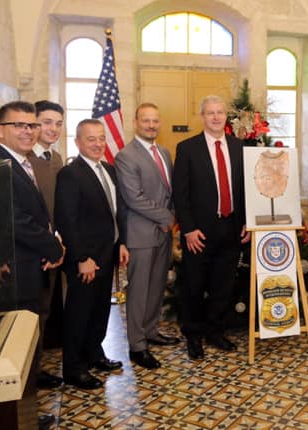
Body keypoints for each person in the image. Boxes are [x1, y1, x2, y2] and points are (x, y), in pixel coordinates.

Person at [0, 101, 65, 428]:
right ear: (0, 129)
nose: (28, 131)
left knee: (29, 342)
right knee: (16, 348)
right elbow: (15, 222)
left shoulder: (20, 162)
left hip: (31, 264)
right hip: (15, 271)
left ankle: (26, 412)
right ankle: (21, 418)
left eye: (32, 125)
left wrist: (49, 244)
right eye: (19, 125)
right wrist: (54, 246)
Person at [172, 95, 250, 360]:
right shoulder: (187, 148)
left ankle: (216, 332)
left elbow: (245, 189)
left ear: (226, 117)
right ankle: (193, 335)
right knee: (194, 285)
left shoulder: (239, 147)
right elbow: (180, 193)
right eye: (210, 113)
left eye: (220, 112)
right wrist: (188, 229)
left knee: (223, 285)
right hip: (199, 232)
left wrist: (247, 222)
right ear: (202, 116)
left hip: (232, 228)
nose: (216, 117)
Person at [55, 119, 129, 390]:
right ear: (77, 142)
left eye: (101, 138)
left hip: (107, 253)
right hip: (86, 259)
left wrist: (121, 242)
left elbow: (115, 211)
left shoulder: (108, 169)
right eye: (91, 139)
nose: (98, 144)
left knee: (100, 310)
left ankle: (95, 354)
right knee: (79, 313)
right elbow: (66, 220)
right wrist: (81, 258)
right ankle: (74, 369)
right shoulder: (70, 174)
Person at [115, 103, 178, 370]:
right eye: (145, 121)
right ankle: (137, 346)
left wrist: (171, 216)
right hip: (140, 234)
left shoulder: (164, 152)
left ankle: (151, 332)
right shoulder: (126, 156)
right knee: (139, 291)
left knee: (156, 286)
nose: (151, 125)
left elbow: (170, 192)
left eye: (155, 121)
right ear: (135, 122)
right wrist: (167, 218)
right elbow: (134, 198)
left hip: (163, 234)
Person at [26, 100, 65, 390]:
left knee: (46, 309)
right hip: (35, 251)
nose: (53, 129)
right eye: (47, 122)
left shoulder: (56, 157)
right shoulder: (26, 161)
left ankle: (37, 367)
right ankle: (30, 375)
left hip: (54, 247)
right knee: (33, 314)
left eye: (58, 123)